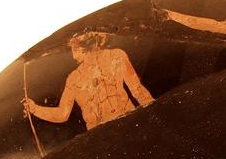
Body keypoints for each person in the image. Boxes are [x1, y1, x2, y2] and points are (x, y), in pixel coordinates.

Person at [24, 31, 154, 130]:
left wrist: (155, 115)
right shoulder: (74, 78)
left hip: (128, 123)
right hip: (102, 135)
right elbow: (63, 114)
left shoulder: (116, 56)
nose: (73, 55)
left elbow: (138, 91)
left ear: (81, 47)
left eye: (73, 48)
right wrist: (35, 109)